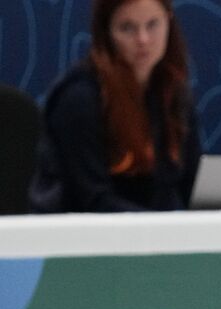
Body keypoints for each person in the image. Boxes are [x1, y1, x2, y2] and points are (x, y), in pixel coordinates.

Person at [28, 0, 201, 213]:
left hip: (159, 233)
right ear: (107, 33)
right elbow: (91, 200)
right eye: (127, 28)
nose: (143, 39)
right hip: (85, 237)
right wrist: (160, 228)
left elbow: (186, 188)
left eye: (153, 25)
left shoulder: (173, 93)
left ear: (169, 22)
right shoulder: (79, 99)